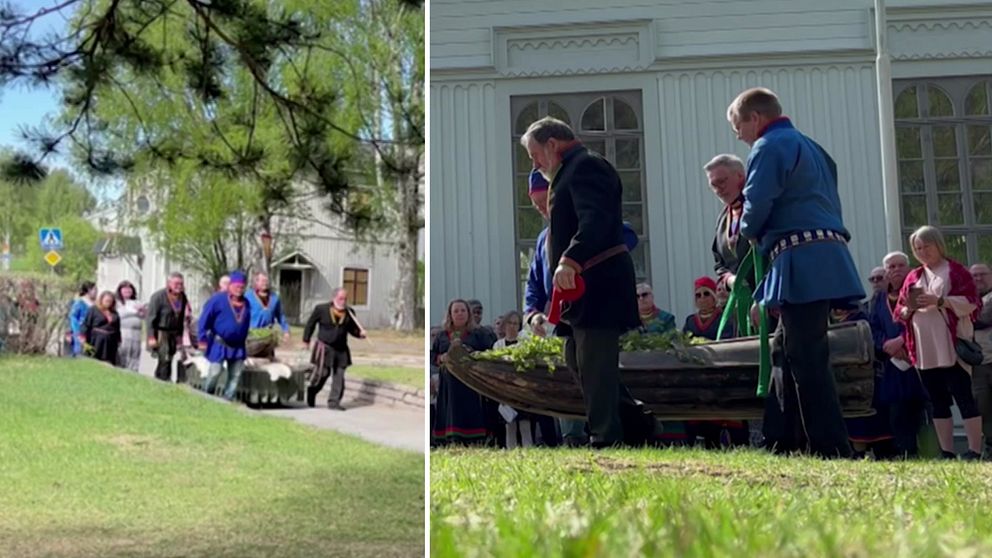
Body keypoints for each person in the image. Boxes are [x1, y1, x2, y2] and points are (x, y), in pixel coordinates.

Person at [728, 87, 864, 458]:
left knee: (806, 355)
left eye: (738, 125)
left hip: (799, 256)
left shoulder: (768, 147)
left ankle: (831, 447)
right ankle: (782, 439)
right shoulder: (814, 148)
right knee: (784, 350)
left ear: (756, 118)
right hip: (823, 251)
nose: (738, 135)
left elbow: (757, 203)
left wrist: (744, 234)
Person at [522, 115, 650, 448]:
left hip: (598, 283)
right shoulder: (569, 171)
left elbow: (596, 219)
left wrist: (570, 258)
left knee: (595, 363)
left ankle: (606, 437)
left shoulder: (588, 167)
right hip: (581, 289)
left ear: (552, 144)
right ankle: (637, 423)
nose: (535, 164)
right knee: (577, 359)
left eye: (536, 155)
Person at [895, 226, 983, 459]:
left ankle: (974, 449)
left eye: (926, 246)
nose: (923, 251)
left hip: (951, 345)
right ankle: (947, 451)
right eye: (918, 248)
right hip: (924, 350)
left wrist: (940, 301)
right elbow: (900, 310)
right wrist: (908, 309)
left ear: (938, 244)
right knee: (937, 400)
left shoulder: (955, 271)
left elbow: (972, 302)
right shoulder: (913, 277)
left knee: (964, 396)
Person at [867, 251, 929, 458]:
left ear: (909, 267)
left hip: (917, 361)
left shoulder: (916, 291)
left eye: (900, 265)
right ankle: (904, 454)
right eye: (891, 267)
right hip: (892, 365)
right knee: (896, 413)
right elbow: (873, 328)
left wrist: (902, 340)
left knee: (919, 410)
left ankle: (925, 454)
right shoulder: (879, 299)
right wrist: (886, 344)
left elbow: (922, 320)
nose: (896, 270)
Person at [432, 299, 492, 446]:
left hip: (470, 380)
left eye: (463, 311)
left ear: (468, 313)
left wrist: (472, 355)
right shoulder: (442, 335)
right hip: (449, 382)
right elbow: (432, 355)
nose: (459, 314)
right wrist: (442, 357)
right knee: (451, 408)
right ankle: (452, 438)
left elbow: (489, 353)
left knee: (470, 407)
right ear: (450, 315)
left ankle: (474, 438)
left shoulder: (478, 334)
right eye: (456, 311)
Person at [301, 287, 367, 410]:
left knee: (339, 376)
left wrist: (360, 334)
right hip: (324, 348)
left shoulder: (350, 313)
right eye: (340, 298)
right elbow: (310, 324)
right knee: (323, 374)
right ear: (334, 298)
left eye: (345, 299)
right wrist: (306, 340)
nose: (343, 301)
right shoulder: (321, 309)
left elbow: (353, 330)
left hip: (341, 349)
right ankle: (312, 391)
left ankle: (334, 402)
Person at [198, 271, 252, 401]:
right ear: (230, 286)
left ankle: (228, 399)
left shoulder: (247, 303)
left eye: (242, 287)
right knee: (215, 372)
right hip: (219, 343)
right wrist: (202, 338)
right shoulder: (217, 300)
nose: (239, 290)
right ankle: (206, 396)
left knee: (236, 375)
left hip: (238, 346)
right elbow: (204, 319)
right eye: (236, 286)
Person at [146, 272, 190, 382]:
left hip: (173, 333)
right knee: (164, 358)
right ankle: (163, 380)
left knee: (170, 357)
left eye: (181, 284)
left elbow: (180, 319)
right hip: (161, 332)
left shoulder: (182, 297)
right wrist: (151, 337)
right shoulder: (158, 296)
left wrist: (179, 336)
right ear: (169, 283)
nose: (179, 286)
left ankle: (162, 379)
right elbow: (150, 318)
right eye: (176, 283)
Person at [970, 262, 992, 454]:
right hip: (978, 363)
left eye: (982, 274)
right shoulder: (968, 299)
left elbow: (983, 319)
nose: (978, 279)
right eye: (974, 275)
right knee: (982, 406)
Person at [246, 272, 291, 357]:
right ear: (256, 282)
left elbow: (280, 316)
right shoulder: (248, 297)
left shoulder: (274, 298)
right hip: (252, 335)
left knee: (268, 361)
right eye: (262, 281)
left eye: (266, 281)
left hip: (267, 334)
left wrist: (286, 331)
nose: (265, 283)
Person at [81, 291, 121, 365]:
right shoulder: (93, 309)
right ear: (101, 300)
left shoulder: (114, 313)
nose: (108, 303)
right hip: (96, 340)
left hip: (111, 341)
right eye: (106, 301)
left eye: (110, 301)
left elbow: (117, 328)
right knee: (94, 361)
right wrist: (83, 338)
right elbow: (86, 324)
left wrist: (119, 340)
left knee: (109, 362)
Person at [115, 281, 145, 372]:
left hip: (136, 334)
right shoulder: (117, 303)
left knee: (134, 354)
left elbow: (144, 316)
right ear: (120, 290)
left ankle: (133, 371)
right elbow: (117, 315)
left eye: (129, 288)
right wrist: (132, 312)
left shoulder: (137, 302)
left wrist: (141, 311)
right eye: (124, 288)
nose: (127, 290)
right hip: (123, 333)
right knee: (122, 353)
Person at [69, 281, 97, 357]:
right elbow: (73, 318)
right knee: (81, 352)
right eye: (94, 289)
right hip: (81, 332)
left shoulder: (96, 303)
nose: (96, 291)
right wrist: (77, 332)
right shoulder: (79, 302)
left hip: (93, 332)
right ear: (88, 290)